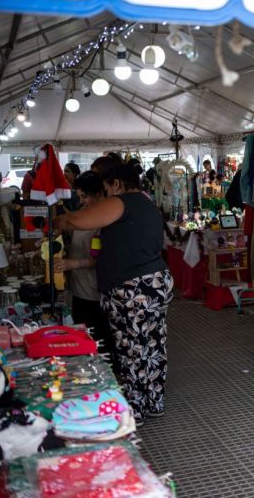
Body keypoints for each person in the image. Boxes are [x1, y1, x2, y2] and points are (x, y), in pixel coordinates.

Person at [56, 161, 173, 425]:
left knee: (131, 347)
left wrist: (59, 219)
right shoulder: (145, 203)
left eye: (106, 186)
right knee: (152, 343)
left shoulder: (122, 201)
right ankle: (154, 401)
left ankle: (135, 410)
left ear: (116, 184)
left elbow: (78, 220)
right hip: (153, 281)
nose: (104, 192)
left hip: (131, 287)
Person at [53, 172, 112, 361]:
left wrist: (74, 263)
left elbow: (102, 259)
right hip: (79, 289)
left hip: (95, 292)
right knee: (83, 337)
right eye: (79, 196)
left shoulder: (105, 221)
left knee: (99, 341)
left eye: (85, 196)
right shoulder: (82, 216)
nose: (82, 201)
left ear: (99, 194)